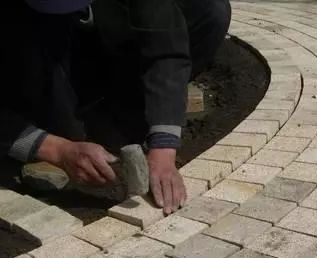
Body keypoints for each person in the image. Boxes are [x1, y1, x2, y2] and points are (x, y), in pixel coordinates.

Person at [0, 0, 231, 214]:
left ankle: (121, 109)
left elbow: (165, 46)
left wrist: (164, 144)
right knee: (62, 123)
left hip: (103, 39)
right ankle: (58, 121)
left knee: (210, 11)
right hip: (32, 41)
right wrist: (55, 148)